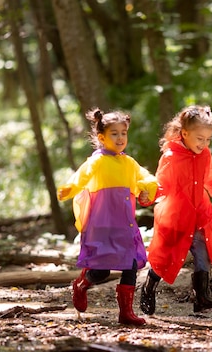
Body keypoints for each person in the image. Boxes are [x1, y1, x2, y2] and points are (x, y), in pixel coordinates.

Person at [57, 107, 157, 326]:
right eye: (114, 133)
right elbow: (81, 177)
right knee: (101, 271)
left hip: (126, 224)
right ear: (102, 137)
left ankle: (126, 313)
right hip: (102, 225)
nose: (120, 138)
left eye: (123, 133)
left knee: (130, 265)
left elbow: (146, 177)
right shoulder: (97, 162)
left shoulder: (129, 162)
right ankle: (82, 284)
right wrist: (69, 189)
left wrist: (147, 187)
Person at [140, 105, 212, 315]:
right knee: (166, 256)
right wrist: (149, 195)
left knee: (203, 254)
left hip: (199, 212)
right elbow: (161, 182)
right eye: (199, 138)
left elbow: (210, 174)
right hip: (176, 215)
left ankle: (201, 298)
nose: (204, 144)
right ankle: (149, 287)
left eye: (208, 139)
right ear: (184, 133)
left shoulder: (204, 154)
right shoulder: (171, 156)